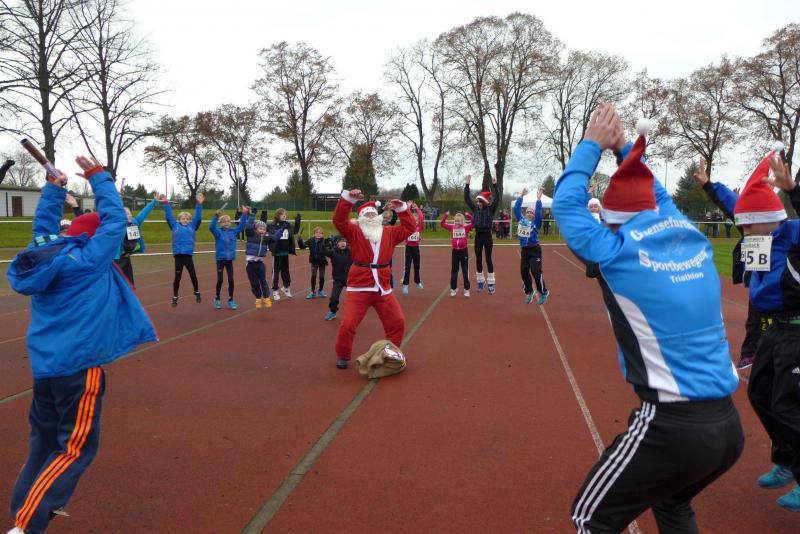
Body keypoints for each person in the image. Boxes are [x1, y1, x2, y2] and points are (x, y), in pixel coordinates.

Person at [553, 104, 742, 533]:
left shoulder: (615, 253)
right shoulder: (691, 237)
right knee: (672, 504)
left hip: (673, 426)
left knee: (590, 516)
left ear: (612, 222)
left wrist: (592, 144)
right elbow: (660, 197)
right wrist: (626, 150)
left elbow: (566, 203)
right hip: (727, 427)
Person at [5, 156, 157, 534]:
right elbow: (115, 220)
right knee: (75, 448)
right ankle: (26, 524)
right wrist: (98, 178)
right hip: (79, 369)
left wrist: (53, 191)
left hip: (46, 369)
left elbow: (42, 228)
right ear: (93, 238)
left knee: (43, 443)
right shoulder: (90, 259)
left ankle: (22, 510)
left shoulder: (43, 254)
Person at [703, 146, 800, 511]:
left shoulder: (793, 234)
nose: (741, 230)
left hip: (798, 331)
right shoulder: (758, 235)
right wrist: (710, 186)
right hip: (775, 330)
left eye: (746, 224)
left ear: (768, 218)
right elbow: (740, 204)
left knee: (788, 405)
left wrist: (793, 191)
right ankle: (787, 459)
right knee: (759, 394)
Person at [332, 190, 415, 369]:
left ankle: (390, 353)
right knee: (348, 324)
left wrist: (402, 209)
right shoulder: (354, 231)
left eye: (372, 214)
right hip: (359, 286)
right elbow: (339, 220)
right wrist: (348, 200)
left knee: (397, 322)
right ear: (361, 218)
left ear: (377, 216)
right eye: (366, 214)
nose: (370, 217)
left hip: (382, 287)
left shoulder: (389, 232)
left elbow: (410, 228)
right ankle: (343, 354)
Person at [163, 193, 204, 307]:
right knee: (177, 277)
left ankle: (196, 291)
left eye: (187, 219)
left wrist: (199, 204)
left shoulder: (192, 226)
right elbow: (169, 216)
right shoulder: (174, 226)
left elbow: (197, 217)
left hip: (188, 256)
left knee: (193, 276)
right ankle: (175, 296)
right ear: (179, 219)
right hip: (178, 257)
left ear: (190, 220)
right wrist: (166, 203)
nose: (185, 220)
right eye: (183, 218)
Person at [464, 174, 500, 293]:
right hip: (478, 236)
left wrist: (495, 185)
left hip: (487, 236)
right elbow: (467, 199)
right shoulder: (475, 209)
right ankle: (480, 281)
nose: (478, 203)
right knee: (478, 259)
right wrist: (467, 185)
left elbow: (497, 199)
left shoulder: (491, 209)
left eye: (480, 201)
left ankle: (491, 283)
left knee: (488, 259)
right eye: (478, 202)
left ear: (485, 202)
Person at [209, 206, 249, 310]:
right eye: (224, 221)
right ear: (220, 223)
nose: (226, 223)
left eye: (228, 221)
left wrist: (244, 214)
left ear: (230, 223)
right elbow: (211, 227)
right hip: (220, 260)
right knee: (220, 280)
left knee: (231, 280)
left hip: (229, 260)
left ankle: (231, 300)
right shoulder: (218, 232)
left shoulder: (233, 232)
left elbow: (241, 225)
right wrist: (216, 216)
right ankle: (217, 298)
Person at [514, 188, 548, 305]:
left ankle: (543, 292)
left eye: (531, 213)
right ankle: (529, 292)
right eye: (528, 212)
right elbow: (516, 208)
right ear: (525, 213)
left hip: (535, 250)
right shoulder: (521, 220)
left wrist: (538, 200)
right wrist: (521, 196)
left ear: (533, 216)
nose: (530, 214)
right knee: (523, 271)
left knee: (535, 271)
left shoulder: (536, 223)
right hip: (525, 250)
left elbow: (538, 212)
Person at [267, 208, 302, 301]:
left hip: (285, 251)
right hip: (277, 251)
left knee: (286, 270)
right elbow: (270, 235)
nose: (284, 215)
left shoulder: (287, 224)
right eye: (283, 214)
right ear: (278, 215)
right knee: (276, 271)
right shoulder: (271, 225)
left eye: (285, 214)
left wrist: (298, 221)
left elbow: (295, 231)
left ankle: (286, 287)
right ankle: (275, 290)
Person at [244, 216, 275, 309]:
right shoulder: (251, 235)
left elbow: (274, 238)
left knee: (263, 280)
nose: (262, 230)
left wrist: (281, 230)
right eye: (260, 228)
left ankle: (267, 297)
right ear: (256, 229)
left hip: (260, 263)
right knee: (254, 282)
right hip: (250, 264)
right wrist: (252, 215)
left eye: (264, 229)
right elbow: (248, 226)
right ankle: (258, 298)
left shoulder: (265, 238)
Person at [441, 211, 474, 297]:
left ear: (462, 221)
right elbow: (442, 224)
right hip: (455, 251)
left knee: (465, 270)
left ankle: (466, 289)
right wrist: (445, 215)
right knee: (454, 270)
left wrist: (469, 215)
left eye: (459, 221)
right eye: (456, 221)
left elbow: (473, 223)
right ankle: (453, 289)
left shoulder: (466, 228)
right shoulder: (452, 227)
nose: (457, 222)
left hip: (463, 251)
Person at [323, 236, 353, 321]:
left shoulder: (351, 251)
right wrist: (325, 243)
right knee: (333, 298)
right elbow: (324, 251)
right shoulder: (333, 252)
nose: (342, 243)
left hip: (351, 280)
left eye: (344, 241)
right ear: (337, 244)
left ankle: (354, 313)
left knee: (355, 299)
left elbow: (359, 247)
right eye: (340, 241)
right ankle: (333, 312)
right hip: (338, 280)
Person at [298, 227, 329, 299]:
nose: (318, 234)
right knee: (313, 276)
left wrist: (330, 242)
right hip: (314, 261)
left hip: (322, 261)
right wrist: (300, 241)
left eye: (320, 233)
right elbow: (302, 247)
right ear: (314, 233)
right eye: (316, 232)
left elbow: (329, 247)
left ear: (322, 234)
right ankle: (312, 292)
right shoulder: (311, 240)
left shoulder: (324, 241)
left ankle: (320, 290)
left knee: (321, 277)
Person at [401, 202, 424, 294]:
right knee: (407, 267)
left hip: (416, 248)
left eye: (416, 220)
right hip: (408, 248)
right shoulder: (407, 227)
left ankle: (417, 281)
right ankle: (405, 285)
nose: (415, 221)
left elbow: (421, 217)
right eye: (413, 220)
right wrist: (408, 207)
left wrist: (417, 208)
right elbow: (405, 217)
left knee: (417, 266)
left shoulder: (419, 227)